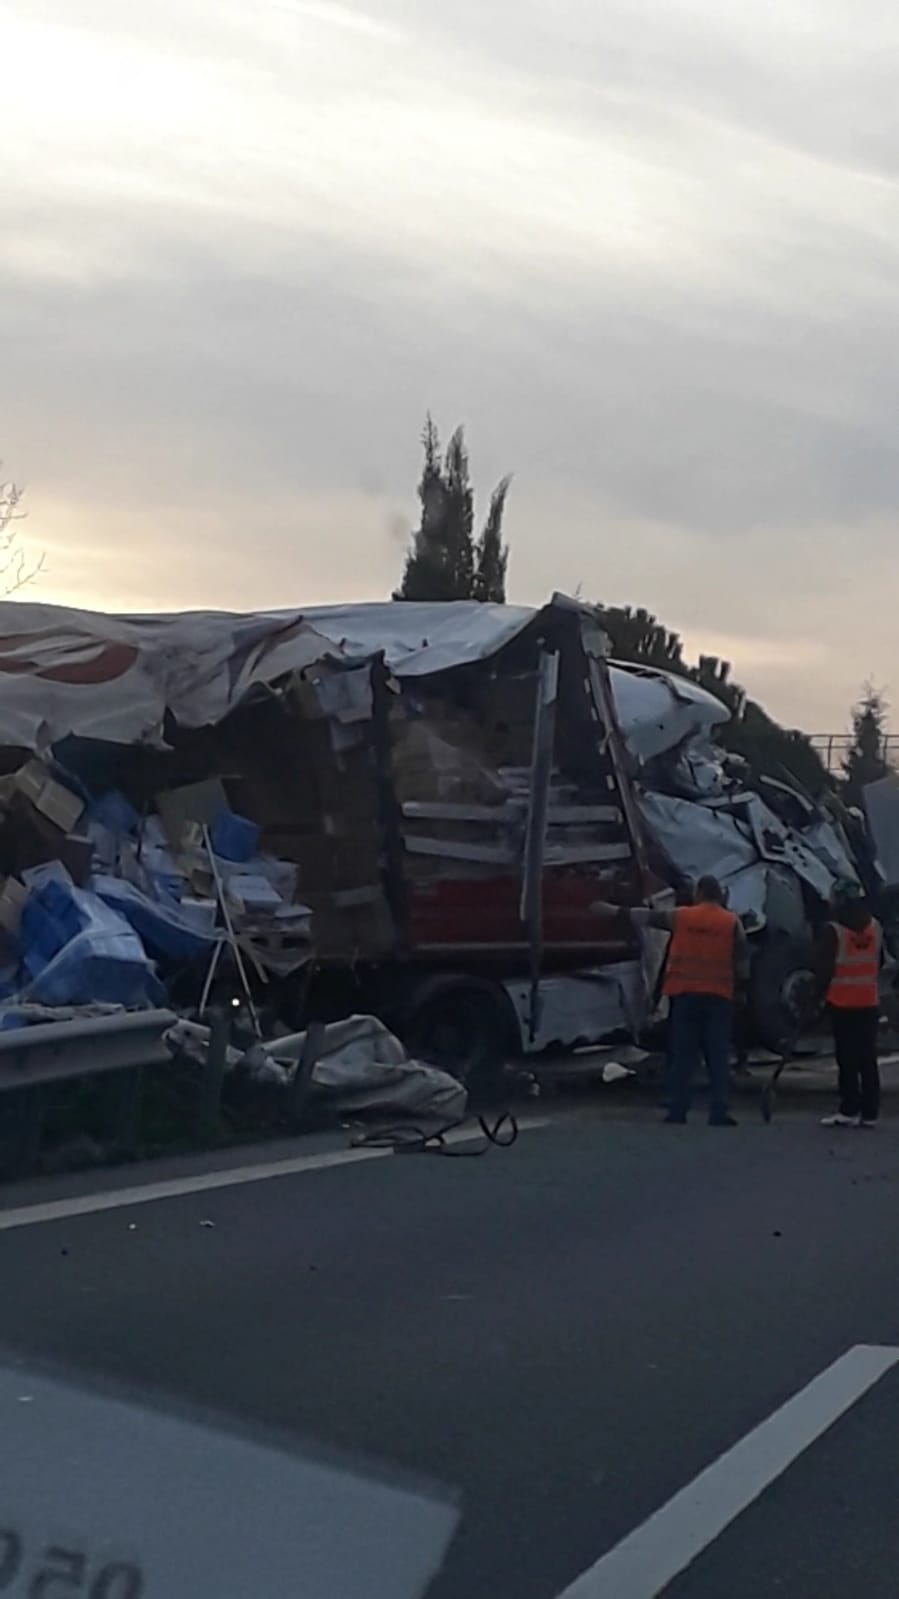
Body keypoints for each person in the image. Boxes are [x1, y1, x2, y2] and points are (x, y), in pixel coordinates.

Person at [594, 876, 750, 1125]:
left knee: (682, 1056)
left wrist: (612, 911)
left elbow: (646, 917)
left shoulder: (682, 917)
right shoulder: (732, 923)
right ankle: (719, 1111)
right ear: (720, 894)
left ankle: (678, 1110)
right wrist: (741, 994)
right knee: (718, 1056)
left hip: (684, 995)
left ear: (699, 893)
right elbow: (743, 966)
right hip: (718, 997)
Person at [816, 883, 882, 1128]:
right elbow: (879, 959)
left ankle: (849, 1108)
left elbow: (824, 967)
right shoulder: (875, 927)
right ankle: (871, 1112)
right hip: (868, 1000)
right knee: (868, 1058)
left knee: (847, 1058)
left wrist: (816, 994)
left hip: (841, 1001)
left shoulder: (833, 931)